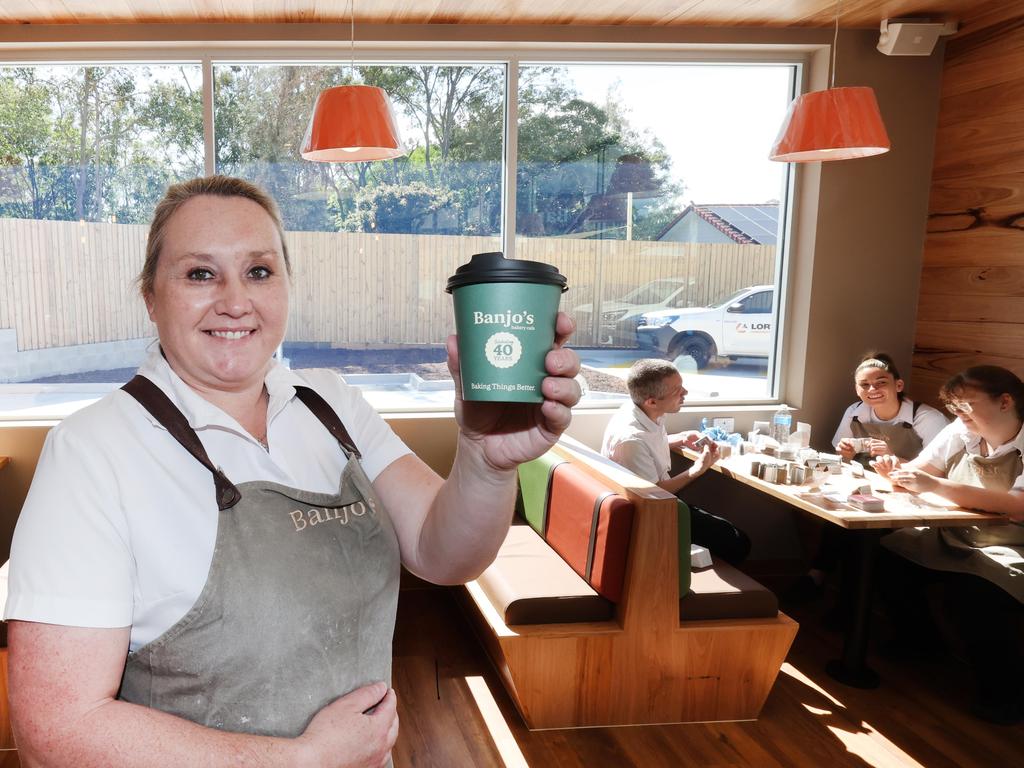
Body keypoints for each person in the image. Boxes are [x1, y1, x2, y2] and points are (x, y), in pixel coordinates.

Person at [3, 175, 582, 767]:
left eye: (259, 271)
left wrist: (485, 463)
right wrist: (302, 760)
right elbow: (57, 730)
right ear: (151, 295)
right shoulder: (93, 452)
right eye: (200, 273)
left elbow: (445, 555)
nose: (235, 301)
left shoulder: (330, 405)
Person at [873, 366, 1024, 725]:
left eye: (967, 405)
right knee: (886, 554)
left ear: (1005, 401)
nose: (958, 413)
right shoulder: (961, 429)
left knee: (977, 592)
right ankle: (920, 641)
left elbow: (1018, 506)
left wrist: (934, 486)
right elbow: (925, 469)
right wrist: (898, 472)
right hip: (957, 532)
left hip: (1011, 543)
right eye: (955, 406)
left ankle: (1004, 695)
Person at [789, 353, 948, 603]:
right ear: (856, 389)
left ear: (898, 385)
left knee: (858, 531)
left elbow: (944, 470)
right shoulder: (855, 412)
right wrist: (846, 453)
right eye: (864, 384)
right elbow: (840, 458)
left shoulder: (926, 419)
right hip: (872, 487)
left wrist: (896, 458)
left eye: (881, 382)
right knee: (842, 514)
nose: (872, 389)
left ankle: (836, 594)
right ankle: (832, 591)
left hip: (915, 497)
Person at [601, 358, 751, 565]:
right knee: (737, 541)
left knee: (728, 533)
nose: (685, 393)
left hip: (660, 500)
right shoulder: (631, 440)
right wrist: (698, 469)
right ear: (651, 401)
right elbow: (654, 494)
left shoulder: (642, 411)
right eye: (677, 391)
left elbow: (648, 444)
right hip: (650, 514)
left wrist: (678, 438)